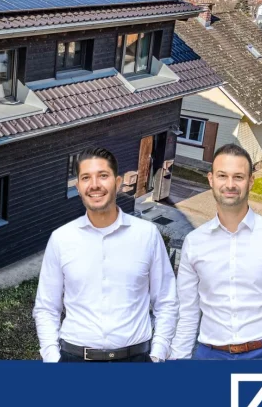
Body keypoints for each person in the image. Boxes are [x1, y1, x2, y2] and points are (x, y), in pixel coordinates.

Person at [32, 147, 178, 362]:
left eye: (103, 176)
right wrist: (52, 358)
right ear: (78, 187)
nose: (95, 185)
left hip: (135, 362)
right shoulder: (61, 239)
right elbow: (46, 308)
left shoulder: (147, 235)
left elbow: (166, 301)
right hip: (75, 361)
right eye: (86, 178)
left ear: (117, 183)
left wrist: (158, 353)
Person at [171, 144, 262, 360]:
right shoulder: (194, 242)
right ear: (211, 179)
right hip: (210, 357)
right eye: (222, 176)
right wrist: (177, 359)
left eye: (238, 177)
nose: (230, 184)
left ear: (251, 181)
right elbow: (187, 311)